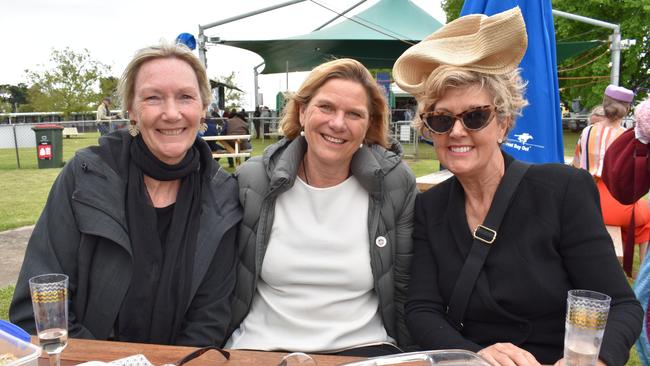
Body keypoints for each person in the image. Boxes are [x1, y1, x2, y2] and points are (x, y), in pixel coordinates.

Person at [392, 7, 642, 366]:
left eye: (475, 116)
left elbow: (619, 305)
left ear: (504, 123)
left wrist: (594, 361)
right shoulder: (430, 207)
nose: (458, 131)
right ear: (429, 129)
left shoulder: (562, 190)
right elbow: (422, 309)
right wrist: (475, 353)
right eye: (442, 119)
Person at [9, 42, 241, 347]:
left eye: (185, 97)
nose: (171, 113)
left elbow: (209, 321)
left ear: (203, 108)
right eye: (153, 98)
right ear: (131, 109)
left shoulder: (223, 194)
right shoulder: (85, 176)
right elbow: (38, 305)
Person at [226, 58, 417, 356]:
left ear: (369, 125)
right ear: (302, 112)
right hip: (261, 348)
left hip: (363, 349)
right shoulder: (254, 179)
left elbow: (405, 286)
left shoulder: (394, 184)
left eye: (354, 114)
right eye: (326, 107)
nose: (338, 123)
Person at [572, 85, 650, 266]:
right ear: (628, 109)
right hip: (616, 201)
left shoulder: (587, 131)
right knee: (645, 220)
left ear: (604, 104)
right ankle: (639, 272)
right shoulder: (628, 137)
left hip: (587, 199)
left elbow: (576, 166)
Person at [602, 97, 650, 366]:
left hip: (600, 198)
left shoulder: (588, 132)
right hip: (622, 205)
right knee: (643, 218)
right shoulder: (623, 132)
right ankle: (641, 261)